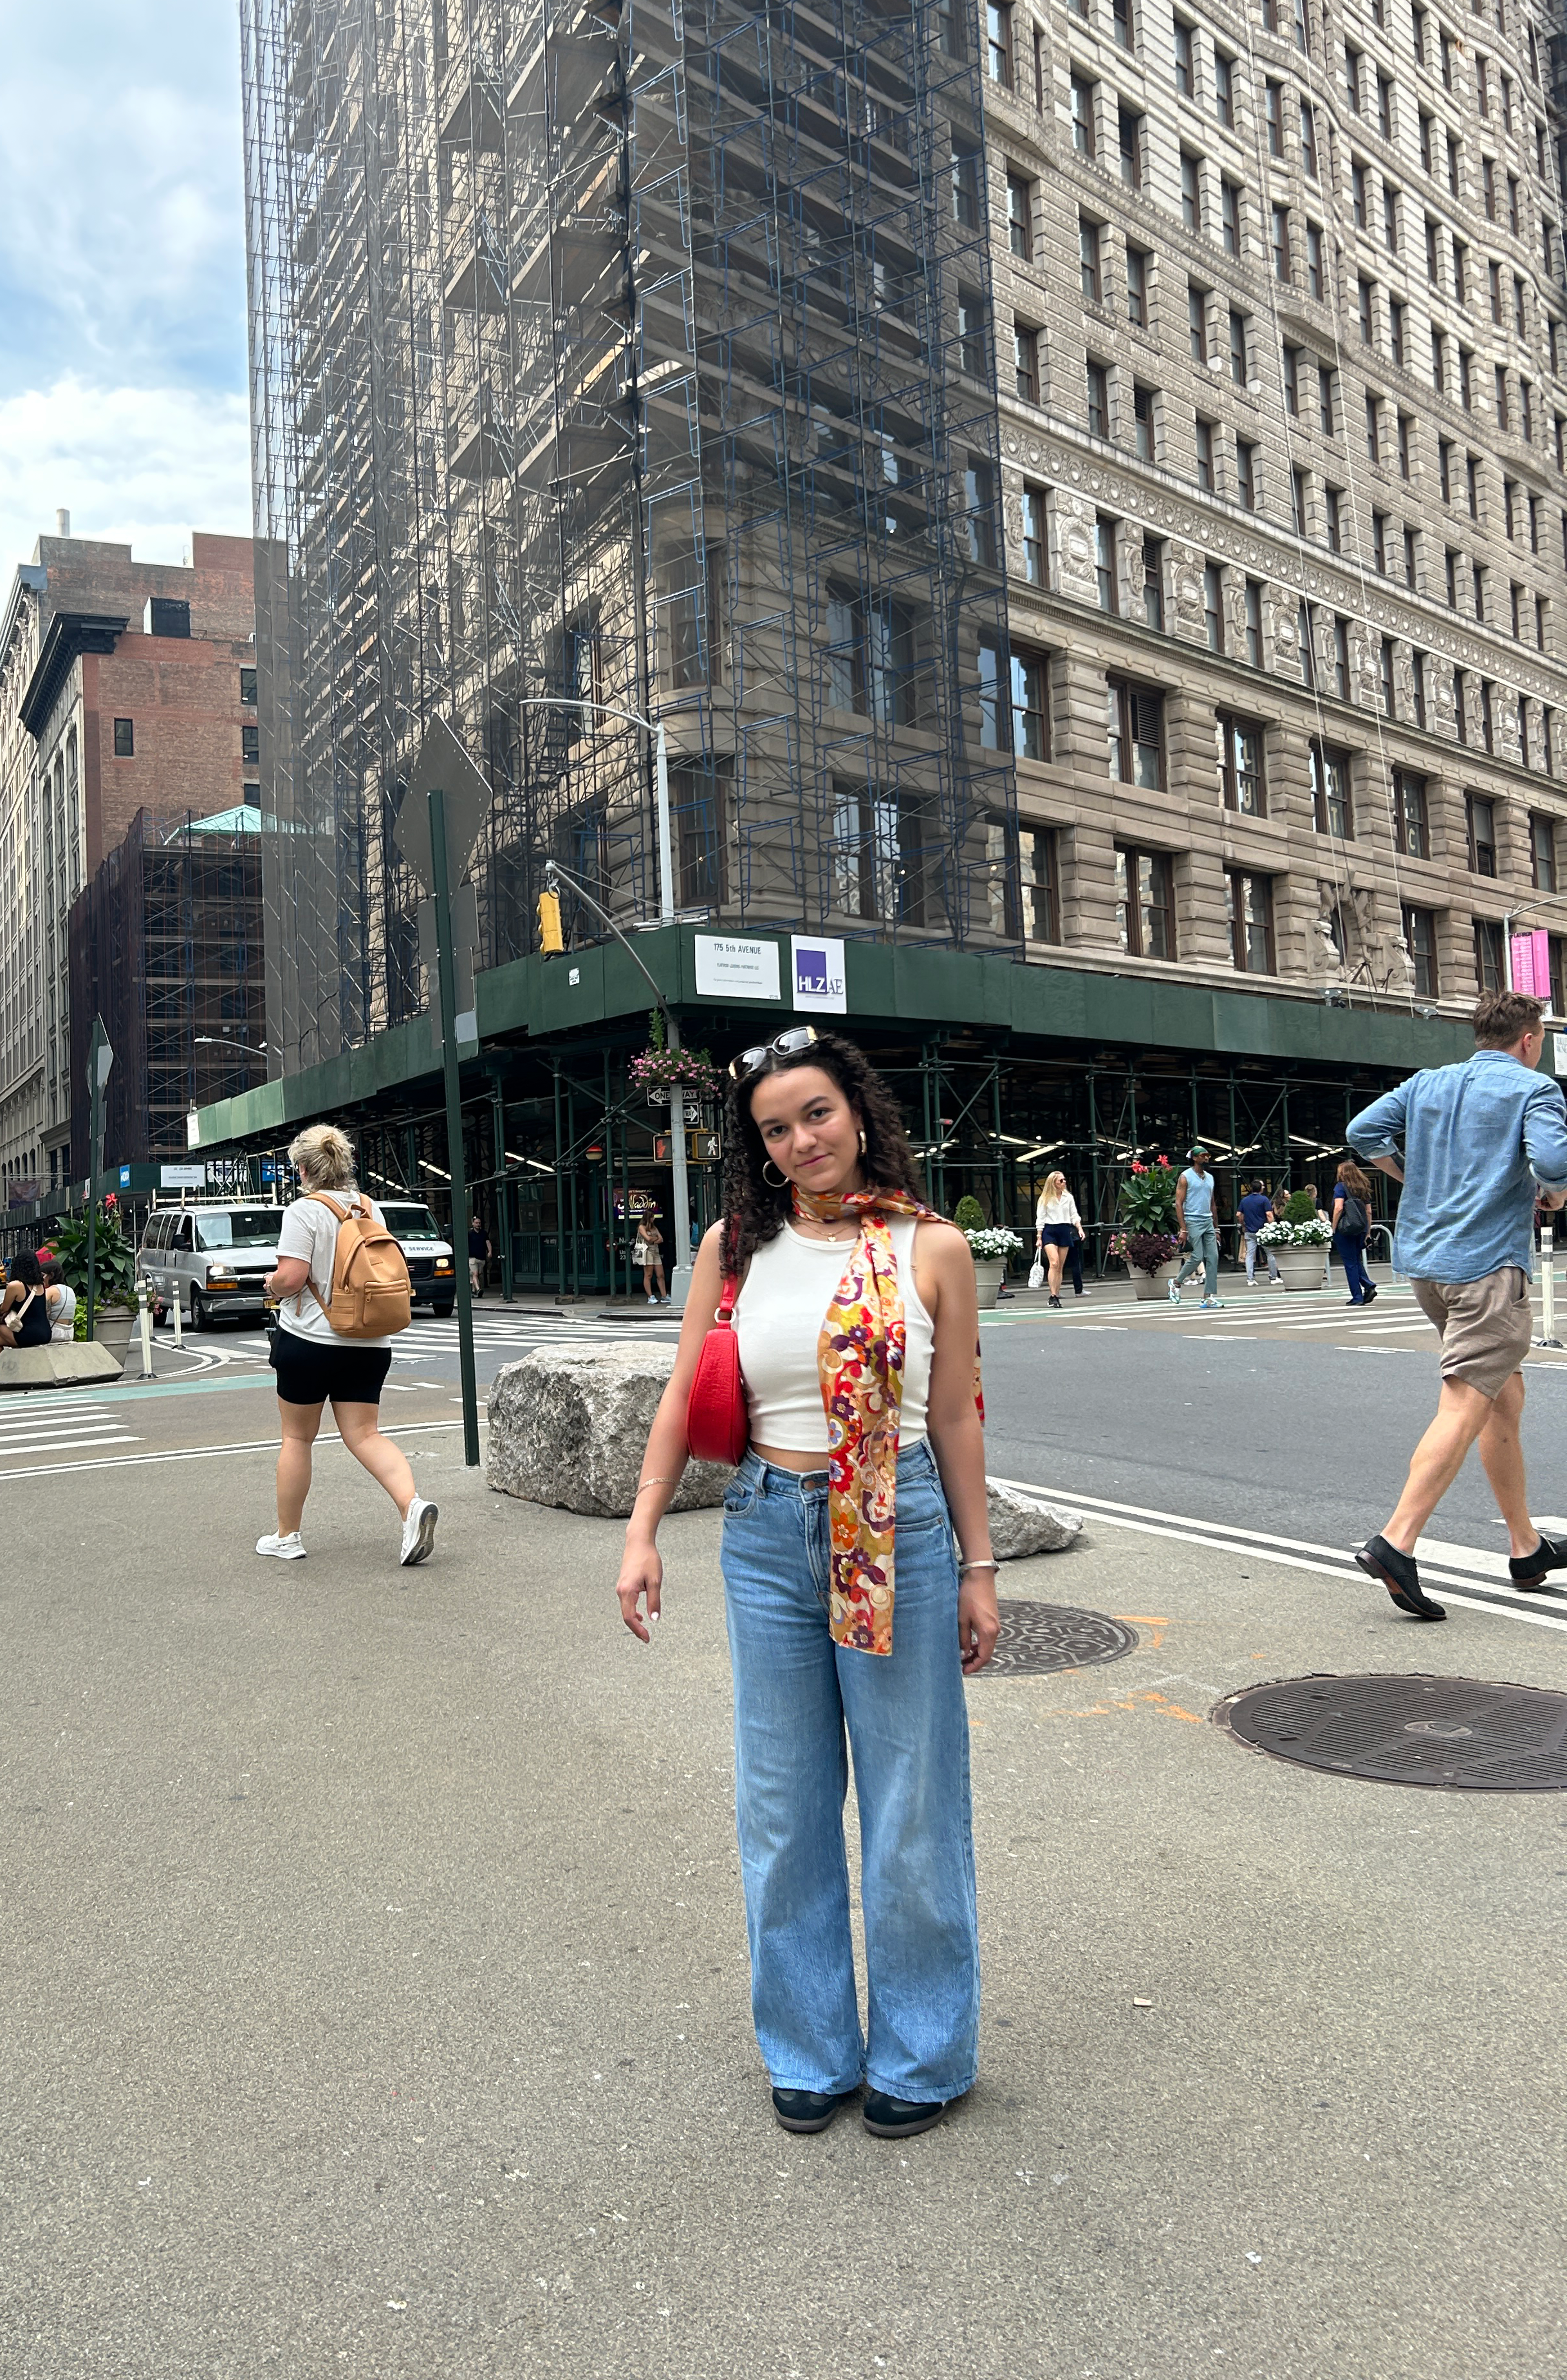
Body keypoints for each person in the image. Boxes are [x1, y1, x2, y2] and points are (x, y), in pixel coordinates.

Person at [615, 1026, 995, 2143]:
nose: (801, 1141)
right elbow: (685, 1396)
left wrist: (979, 1567)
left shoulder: (932, 1248)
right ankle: (810, 2045)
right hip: (770, 1534)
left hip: (901, 1527)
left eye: (816, 1114)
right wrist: (642, 1533)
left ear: (860, 1110)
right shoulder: (735, 1245)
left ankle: (923, 2052)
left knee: (910, 1804)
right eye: (776, 1128)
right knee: (782, 1808)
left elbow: (956, 1420)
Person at [1347, 988, 1567, 1621]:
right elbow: (1553, 1161)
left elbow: (1363, 1132)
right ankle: (1397, 1542)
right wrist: (1552, 1194)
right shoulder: (1535, 1089)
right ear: (1530, 1040)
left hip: (1428, 1268)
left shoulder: (1427, 1084)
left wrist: (1411, 1176)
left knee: (1504, 1396)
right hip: (1487, 1268)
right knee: (1465, 1400)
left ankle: (1526, 1548)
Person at [257, 1122, 437, 1567]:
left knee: (297, 1438)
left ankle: (287, 1537)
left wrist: (271, 1283)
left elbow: (292, 1278)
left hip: (311, 1341)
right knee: (366, 1435)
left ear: (302, 1168)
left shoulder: (303, 1212)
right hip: (370, 1340)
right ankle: (411, 1507)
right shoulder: (369, 1208)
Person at [1169, 1145, 1223, 1309]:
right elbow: (1179, 1203)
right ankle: (1176, 1283)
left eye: (1208, 1155)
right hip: (1192, 1221)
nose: (1206, 1158)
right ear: (1194, 1158)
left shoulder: (1210, 1178)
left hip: (1207, 1221)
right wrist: (1183, 1229)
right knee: (1197, 1256)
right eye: (1203, 1156)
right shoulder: (1185, 1177)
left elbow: (1212, 1203)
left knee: (1213, 1258)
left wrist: (1217, 1228)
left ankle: (1208, 1297)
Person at [1035, 1171, 1088, 1307]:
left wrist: (1080, 1228)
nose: (1064, 1183)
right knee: (1054, 1263)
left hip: (1065, 1230)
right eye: (1061, 1181)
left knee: (1060, 1267)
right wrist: (1039, 1237)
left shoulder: (1068, 1197)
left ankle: (1056, 1293)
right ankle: (1053, 1296)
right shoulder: (1045, 1198)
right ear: (1053, 1183)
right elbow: (1040, 1218)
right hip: (1050, 1231)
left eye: (1065, 1180)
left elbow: (1074, 1215)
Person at [1331, 1162, 1378, 1307]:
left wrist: (1334, 1228)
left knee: (1350, 1263)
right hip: (1361, 1229)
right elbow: (1369, 1211)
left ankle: (1357, 1296)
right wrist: (1368, 1232)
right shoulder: (1363, 1188)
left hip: (1345, 1228)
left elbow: (1339, 1208)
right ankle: (1368, 1285)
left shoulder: (1341, 1187)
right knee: (1356, 1260)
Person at [0, 1250, 52, 1349]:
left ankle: (6, 1364)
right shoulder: (40, 1285)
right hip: (46, 1333)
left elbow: (4, 1309)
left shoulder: (15, 1285)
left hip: (29, 1334)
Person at [1236, 1179, 1281, 1287]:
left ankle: (1250, 1279)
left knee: (1250, 1255)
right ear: (1261, 1189)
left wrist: (1243, 1224)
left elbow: (1239, 1215)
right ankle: (1273, 1277)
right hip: (1263, 1230)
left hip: (1250, 1231)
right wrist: (1272, 1226)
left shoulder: (1245, 1201)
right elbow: (1270, 1216)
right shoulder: (1264, 1200)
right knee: (1270, 1254)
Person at [634, 1211, 670, 1305]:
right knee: (648, 1275)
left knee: (661, 1275)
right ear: (648, 1218)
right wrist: (654, 1239)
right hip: (647, 1251)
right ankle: (650, 1296)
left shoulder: (654, 1228)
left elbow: (661, 1238)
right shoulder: (642, 1227)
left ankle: (664, 1296)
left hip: (656, 1251)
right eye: (652, 1217)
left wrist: (653, 1240)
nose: (654, 1219)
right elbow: (648, 1239)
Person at [40, 1254, 76, 1342]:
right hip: (70, 1333)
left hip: (55, 1333)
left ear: (51, 1275)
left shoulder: (50, 1291)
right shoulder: (70, 1290)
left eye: (42, 1275)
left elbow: (42, 1315)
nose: (41, 1279)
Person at [467, 1214, 490, 1297]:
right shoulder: (469, 1234)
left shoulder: (484, 1233)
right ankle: (478, 1289)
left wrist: (490, 1251)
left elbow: (488, 1242)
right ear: (473, 1224)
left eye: (479, 1223)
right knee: (475, 1274)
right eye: (477, 1223)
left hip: (482, 1258)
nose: (478, 1225)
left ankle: (474, 1292)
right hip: (472, 1258)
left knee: (478, 1275)